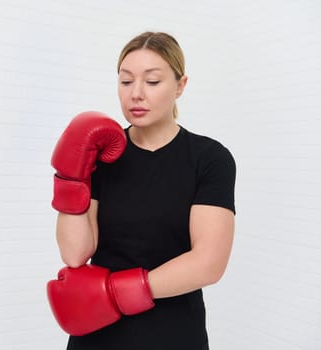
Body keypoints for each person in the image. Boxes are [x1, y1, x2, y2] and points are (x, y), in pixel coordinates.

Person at [47, 31, 236, 350]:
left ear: (180, 86)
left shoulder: (209, 158)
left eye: (152, 81)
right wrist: (70, 177)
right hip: (97, 332)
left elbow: (208, 262)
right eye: (125, 81)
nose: (136, 94)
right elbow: (75, 253)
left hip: (173, 333)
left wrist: (116, 293)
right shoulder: (101, 153)